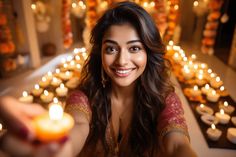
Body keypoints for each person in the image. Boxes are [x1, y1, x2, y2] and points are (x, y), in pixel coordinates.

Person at [0, 1, 197, 157]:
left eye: (134, 48)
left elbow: (177, 145)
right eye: (111, 48)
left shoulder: (164, 100)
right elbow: (77, 127)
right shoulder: (84, 97)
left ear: (149, 52)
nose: (122, 61)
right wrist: (61, 149)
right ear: (100, 53)